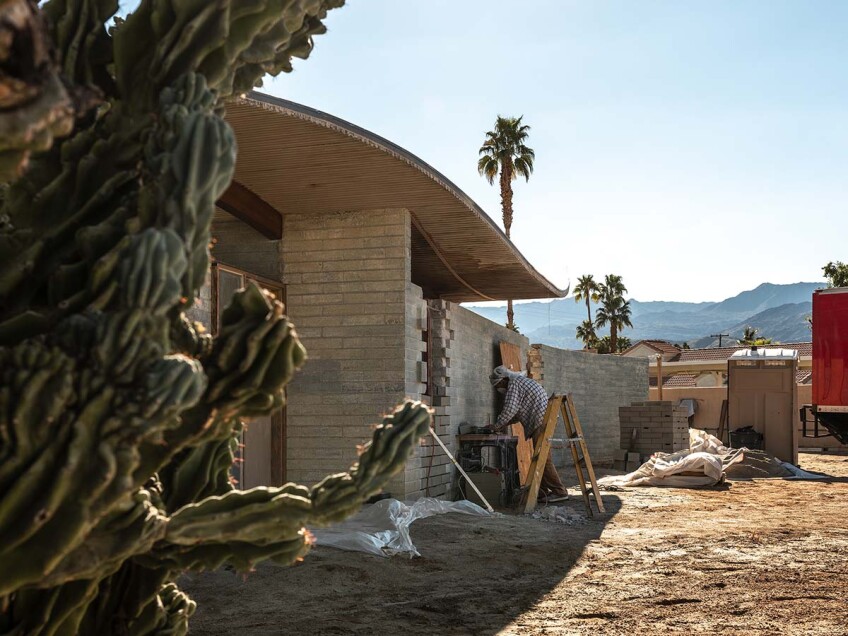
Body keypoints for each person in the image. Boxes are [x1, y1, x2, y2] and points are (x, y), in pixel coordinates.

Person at [489, 366, 569, 503]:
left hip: (540, 422)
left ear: (504, 379)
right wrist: (502, 424)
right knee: (540, 458)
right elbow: (516, 413)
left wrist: (496, 426)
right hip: (543, 420)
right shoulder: (521, 382)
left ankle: (559, 491)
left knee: (543, 458)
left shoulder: (514, 384)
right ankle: (541, 491)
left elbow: (510, 409)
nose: (499, 389)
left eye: (499, 385)